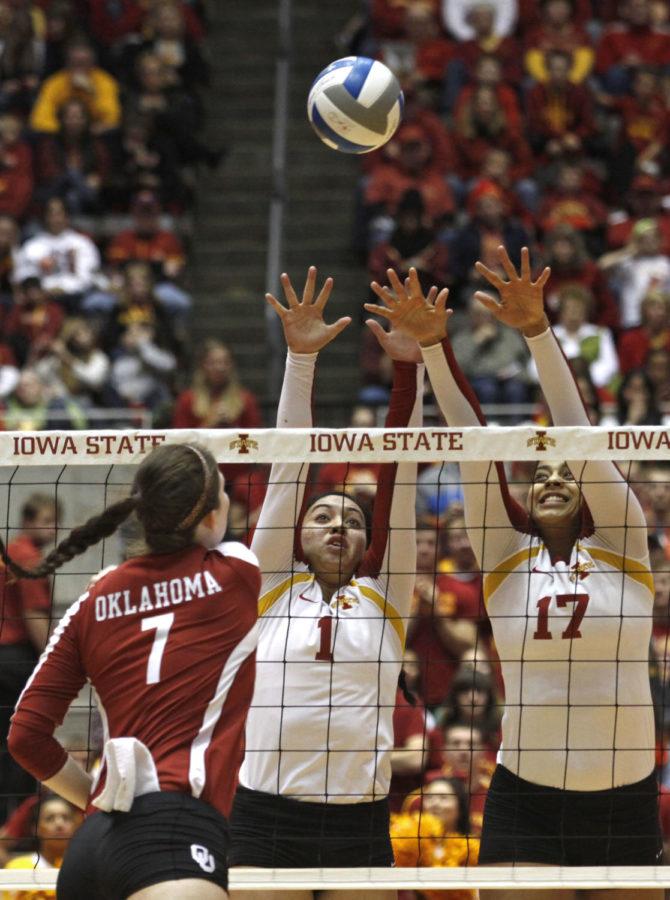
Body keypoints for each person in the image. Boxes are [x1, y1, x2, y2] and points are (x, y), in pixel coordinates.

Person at [366, 252, 661, 898]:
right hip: (527, 795)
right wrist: (437, 349)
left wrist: (537, 333)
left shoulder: (625, 547)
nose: (553, 476)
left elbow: (579, 437)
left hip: (625, 800)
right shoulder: (505, 558)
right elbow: (473, 443)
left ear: (587, 492)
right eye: (540, 472)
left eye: (565, 473)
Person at [229, 267, 422, 900]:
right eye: (322, 515)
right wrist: (300, 359)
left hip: (357, 821)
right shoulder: (269, 588)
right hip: (265, 814)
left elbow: (403, 476)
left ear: (370, 543)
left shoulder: (383, 597)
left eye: (353, 520)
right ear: (299, 535)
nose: (338, 523)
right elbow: (288, 471)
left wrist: (407, 374)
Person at [7, 442, 262, 899]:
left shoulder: (96, 595)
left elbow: (25, 736)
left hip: (93, 843)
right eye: (222, 492)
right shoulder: (237, 573)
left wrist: (97, 799)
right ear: (209, 517)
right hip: (173, 831)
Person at [0, 494, 57, 823]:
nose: (53, 529)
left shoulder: (11, 552)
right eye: (46, 521)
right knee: (22, 742)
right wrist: (53, 665)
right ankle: (19, 828)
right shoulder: (28, 558)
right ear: (27, 520)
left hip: (4, 660)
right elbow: (34, 616)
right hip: (17, 659)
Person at [2, 793, 82, 899]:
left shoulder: (85, 869)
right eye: (50, 818)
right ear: (36, 828)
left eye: (66, 818)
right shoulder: (18, 867)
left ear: (76, 825)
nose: (59, 824)